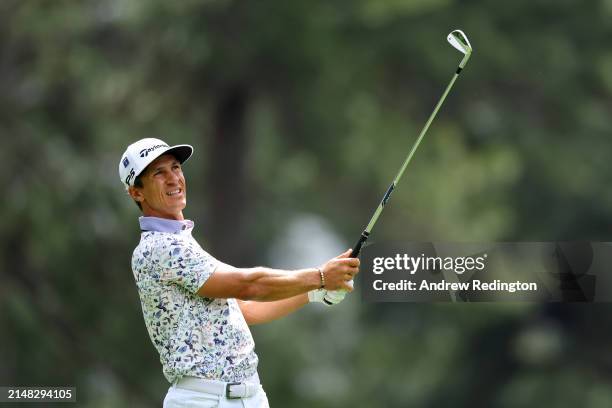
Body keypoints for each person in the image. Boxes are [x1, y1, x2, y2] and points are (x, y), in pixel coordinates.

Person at [118, 138, 360, 407]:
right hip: (204, 400)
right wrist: (320, 276)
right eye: (158, 173)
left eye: (175, 168)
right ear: (136, 193)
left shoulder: (183, 240)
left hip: (248, 397)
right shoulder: (158, 248)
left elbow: (244, 308)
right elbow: (248, 286)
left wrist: (315, 292)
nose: (173, 178)